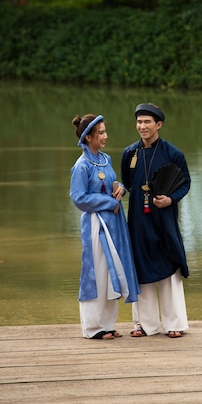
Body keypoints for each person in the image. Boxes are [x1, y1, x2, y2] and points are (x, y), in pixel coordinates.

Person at [121, 102, 191, 339]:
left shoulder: (173, 154)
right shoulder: (130, 153)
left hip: (164, 219)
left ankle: (175, 323)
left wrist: (170, 199)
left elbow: (185, 184)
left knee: (169, 265)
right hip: (139, 219)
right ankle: (143, 323)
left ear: (158, 124)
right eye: (139, 122)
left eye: (147, 122)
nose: (142, 126)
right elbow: (128, 183)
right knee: (140, 265)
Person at [70, 113, 140, 340]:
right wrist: (109, 202)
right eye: (100, 133)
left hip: (114, 223)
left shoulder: (105, 159)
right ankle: (93, 327)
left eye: (104, 131)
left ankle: (108, 324)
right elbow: (79, 198)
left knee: (112, 271)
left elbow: (111, 183)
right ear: (88, 137)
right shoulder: (81, 166)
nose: (105, 136)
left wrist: (120, 188)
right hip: (95, 224)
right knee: (97, 272)